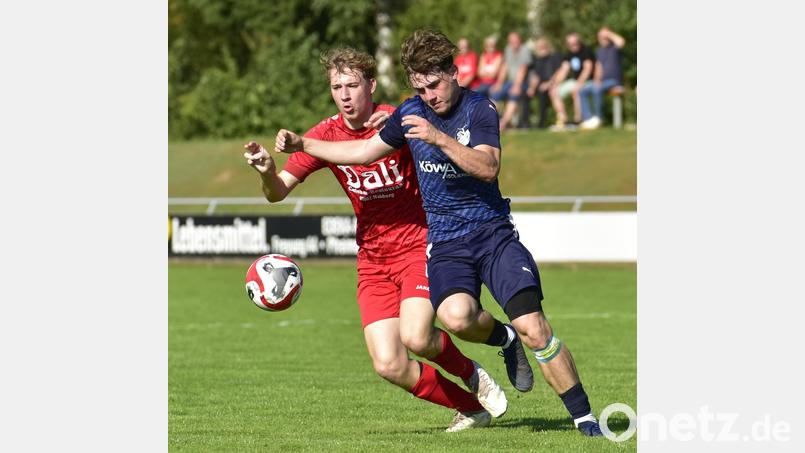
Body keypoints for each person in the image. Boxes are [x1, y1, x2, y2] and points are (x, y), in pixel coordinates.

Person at [274, 30, 604, 437]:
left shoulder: (480, 109)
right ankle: (502, 339)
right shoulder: (410, 113)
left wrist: (436, 137)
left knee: (534, 326)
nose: (429, 96)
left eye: (435, 85)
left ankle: (587, 422)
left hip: (492, 235)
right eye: (420, 88)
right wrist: (303, 143)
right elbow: (361, 152)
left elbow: (487, 168)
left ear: (454, 72)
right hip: (446, 243)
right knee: (455, 318)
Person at [244, 47, 532, 432]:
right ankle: (471, 408)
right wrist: (266, 172)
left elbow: (453, 149)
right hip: (372, 259)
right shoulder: (324, 135)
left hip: (420, 243)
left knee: (417, 336)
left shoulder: (403, 117)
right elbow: (277, 192)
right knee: (389, 364)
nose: (344, 94)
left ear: (371, 85)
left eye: (352, 85)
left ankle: (473, 370)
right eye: (336, 86)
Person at [578, 27, 626, 129]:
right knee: (582, 90)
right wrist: (597, 79)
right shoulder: (599, 50)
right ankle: (588, 119)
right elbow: (598, 67)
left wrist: (608, 34)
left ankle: (598, 118)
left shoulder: (614, 47)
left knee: (597, 89)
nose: (602, 39)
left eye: (603, 37)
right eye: (600, 37)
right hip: (602, 82)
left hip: (614, 81)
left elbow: (621, 41)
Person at [549, 33, 595, 131]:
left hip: (588, 81)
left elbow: (588, 69)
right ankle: (563, 120)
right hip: (574, 81)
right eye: (571, 44)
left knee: (576, 91)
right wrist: (555, 84)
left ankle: (578, 119)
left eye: (575, 43)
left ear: (579, 42)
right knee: (554, 92)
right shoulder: (569, 54)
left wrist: (579, 83)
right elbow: (564, 70)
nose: (573, 46)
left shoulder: (586, 51)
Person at [490, 31, 533, 131]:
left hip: (524, 82)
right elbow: (504, 67)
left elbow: (524, 69)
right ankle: (490, 122)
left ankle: (503, 124)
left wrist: (517, 86)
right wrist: (499, 83)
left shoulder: (525, 50)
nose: (514, 43)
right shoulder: (508, 50)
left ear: (520, 40)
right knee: (494, 95)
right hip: (510, 82)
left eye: (516, 40)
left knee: (513, 96)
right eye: (512, 41)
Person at [526, 37, 563, 129]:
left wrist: (549, 84)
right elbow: (536, 76)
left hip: (553, 83)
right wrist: (531, 88)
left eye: (543, 46)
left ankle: (542, 122)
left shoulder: (555, 56)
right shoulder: (538, 60)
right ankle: (525, 122)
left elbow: (558, 72)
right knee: (525, 94)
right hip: (541, 85)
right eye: (539, 47)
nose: (542, 48)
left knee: (542, 93)